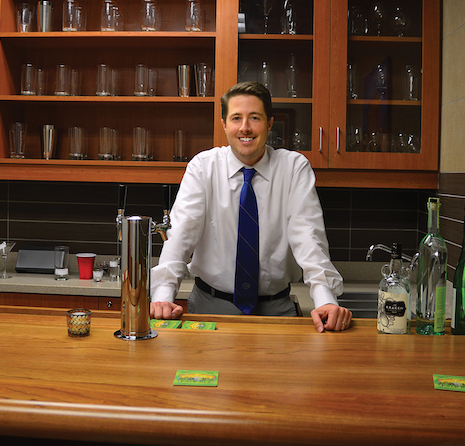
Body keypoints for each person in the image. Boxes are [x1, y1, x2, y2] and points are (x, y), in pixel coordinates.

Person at [150, 81, 352, 332]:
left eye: (254, 118)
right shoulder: (203, 167)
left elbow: (309, 238)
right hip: (210, 308)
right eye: (236, 118)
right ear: (224, 125)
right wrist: (162, 296)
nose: (244, 128)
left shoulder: (293, 168)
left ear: (269, 123)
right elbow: (180, 237)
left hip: (276, 311)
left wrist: (326, 300)